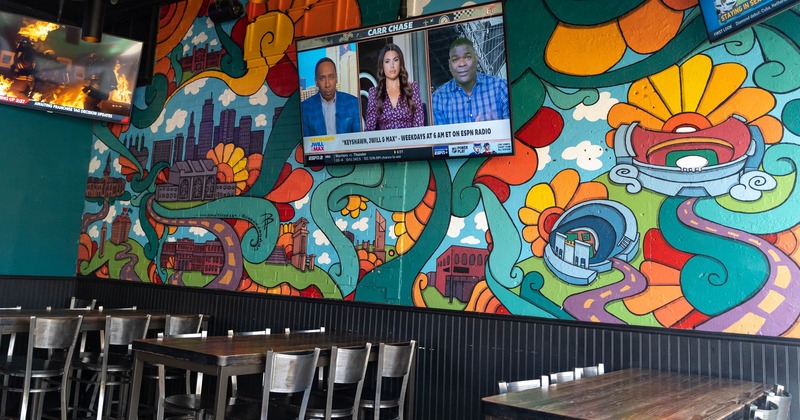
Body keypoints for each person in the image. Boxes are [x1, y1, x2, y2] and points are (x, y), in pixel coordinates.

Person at [431, 37, 509, 126]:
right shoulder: (438, 99)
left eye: (467, 57)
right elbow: (442, 139)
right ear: (449, 65)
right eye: (455, 59)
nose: (462, 64)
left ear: (476, 59)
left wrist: (500, 131)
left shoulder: (500, 87)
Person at [364, 43, 424, 131]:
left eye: (395, 60)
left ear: (400, 63)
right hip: (384, 144)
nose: (392, 65)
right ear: (382, 65)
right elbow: (369, 130)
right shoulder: (374, 93)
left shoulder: (413, 89)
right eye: (387, 61)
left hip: (410, 143)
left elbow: (419, 126)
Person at [301, 57, 361, 136]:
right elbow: (306, 145)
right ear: (316, 81)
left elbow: (359, 140)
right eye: (322, 78)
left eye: (331, 77)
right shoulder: (305, 108)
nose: (327, 84)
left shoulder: (353, 103)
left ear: (336, 78)